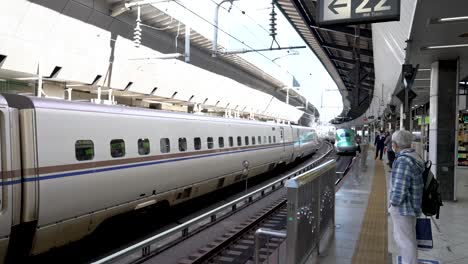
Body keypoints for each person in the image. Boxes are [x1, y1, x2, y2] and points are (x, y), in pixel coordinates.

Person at [389, 130, 424, 264]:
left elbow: (399, 189)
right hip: (413, 205)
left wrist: (392, 204)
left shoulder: (403, 161)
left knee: (405, 241)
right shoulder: (415, 156)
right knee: (409, 238)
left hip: (404, 208)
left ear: (395, 144)